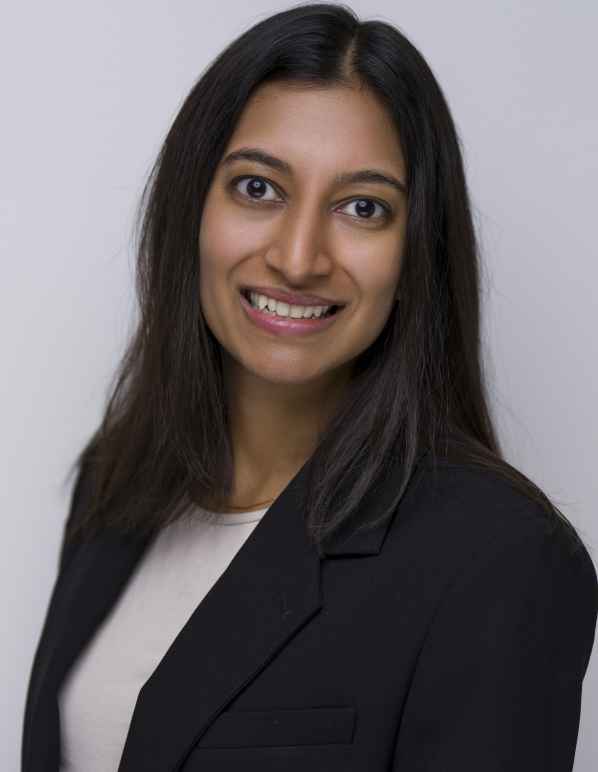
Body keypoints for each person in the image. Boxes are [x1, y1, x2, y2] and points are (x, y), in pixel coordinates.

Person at [22, 3, 598, 771]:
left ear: (416, 251)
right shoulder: (117, 478)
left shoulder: (500, 560)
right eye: (258, 188)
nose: (298, 257)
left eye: (364, 208)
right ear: (191, 208)